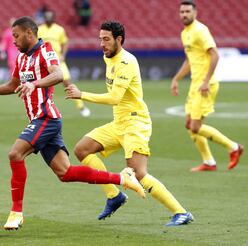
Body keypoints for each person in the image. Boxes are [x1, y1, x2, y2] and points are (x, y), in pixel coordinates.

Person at [0, 16, 145, 230]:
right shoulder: (21, 58)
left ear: (29, 33)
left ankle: (16, 213)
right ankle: (122, 179)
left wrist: (35, 84)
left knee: (15, 154)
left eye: (16, 36)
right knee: (66, 173)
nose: (13, 41)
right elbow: (12, 85)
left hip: (47, 118)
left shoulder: (45, 50)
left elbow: (58, 74)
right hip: (40, 121)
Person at [65, 21, 193, 226]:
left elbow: (115, 97)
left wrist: (82, 95)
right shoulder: (108, 57)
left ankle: (181, 212)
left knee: (138, 173)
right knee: (82, 149)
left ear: (119, 39)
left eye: (106, 39)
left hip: (136, 123)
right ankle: (114, 196)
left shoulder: (126, 62)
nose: (102, 44)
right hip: (119, 123)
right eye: (100, 39)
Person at [171, 0, 244, 172]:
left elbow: (215, 54)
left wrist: (205, 81)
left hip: (205, 84)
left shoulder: (200, 30)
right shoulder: (185, 33)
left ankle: (233, 147)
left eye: (187, 11)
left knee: (195, 126)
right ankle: (209, 162)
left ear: (195, 13)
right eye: (182, 12)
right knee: (189, 124)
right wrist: (176, 79)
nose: (184, 15)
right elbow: (190, 60)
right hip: (195, 83)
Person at [38, 10, 91, 117]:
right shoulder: (40, 29)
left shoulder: (59, 29)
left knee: (67, 82)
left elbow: (65, 43)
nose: (48, 19)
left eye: (50, 17)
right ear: (44, 18)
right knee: (40, 85)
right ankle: (40, 110)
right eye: (46, 17)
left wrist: (63, 54)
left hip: (57, 60)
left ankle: (81, 106)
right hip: (43, 62)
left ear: (53, 18)